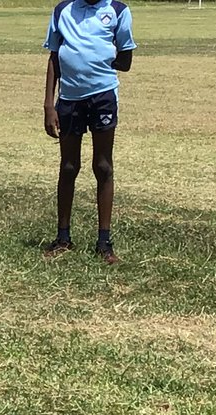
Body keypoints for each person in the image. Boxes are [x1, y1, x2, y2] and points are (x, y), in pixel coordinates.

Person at [42, 0, 135, 264]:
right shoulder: (63, 11)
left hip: (103, 96)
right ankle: (63, 237)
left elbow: (125, 60)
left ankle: (104, 243)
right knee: (69, 166)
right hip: (69, 99)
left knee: (103, 166)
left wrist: (97, 63)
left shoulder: (118, 11)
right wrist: (49, 104)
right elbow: (54, 57)